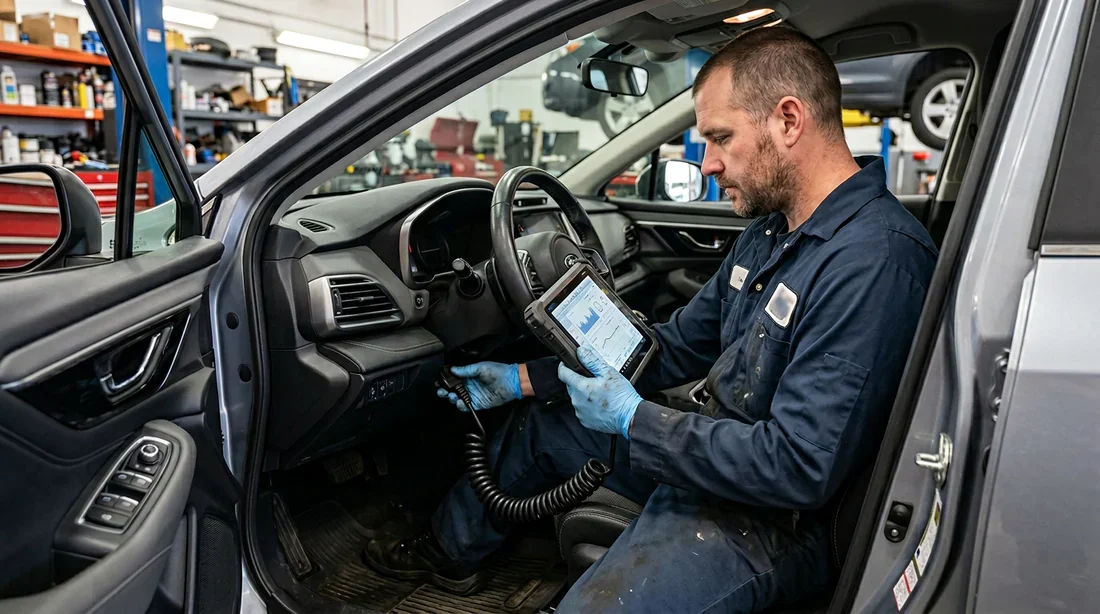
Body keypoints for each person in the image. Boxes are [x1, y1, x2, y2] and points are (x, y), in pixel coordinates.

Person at [364, 25, 938, 612]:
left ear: (788, 120)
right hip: (712, 448)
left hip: (773, 520)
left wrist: (637, 422)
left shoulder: (876, 262)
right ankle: (446, 555)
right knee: (541, 424)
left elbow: (797, 467)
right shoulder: (773, 232)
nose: (708, 162)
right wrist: (523, 380)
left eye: (720, 137)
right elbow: (673, 348)